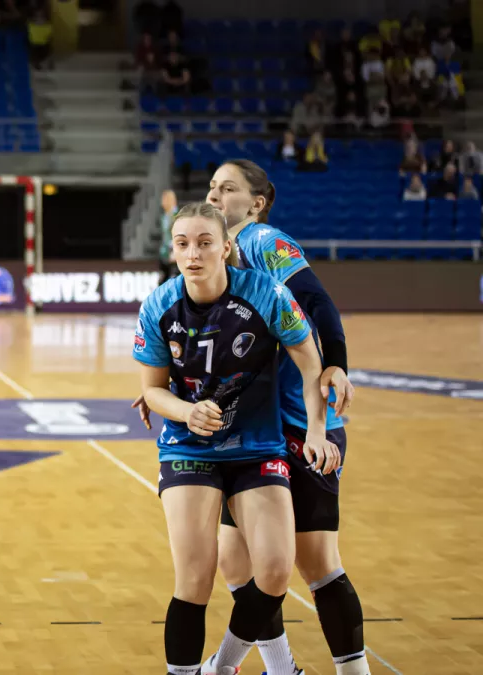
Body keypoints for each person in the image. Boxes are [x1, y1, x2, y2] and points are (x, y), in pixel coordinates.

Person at [138, 159, 368, 675]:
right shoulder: (184, 286)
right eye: (212, 187)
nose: (216, 196)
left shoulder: (263, 240)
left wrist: (335, 366)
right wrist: (167, 392)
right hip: (246, 422)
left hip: (292, 422)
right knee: (235, 563)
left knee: (312, 564)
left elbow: (316, 302)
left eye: (229, 189)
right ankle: (279, 667)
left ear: (257, 203)